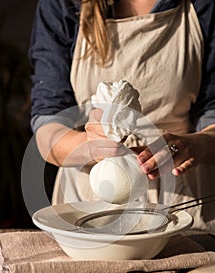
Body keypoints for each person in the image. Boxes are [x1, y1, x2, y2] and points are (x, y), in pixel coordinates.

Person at [29, 0, 215, 229]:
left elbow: (212, 117)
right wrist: (88, 145)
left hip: (181, 205)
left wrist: (193, 145)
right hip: (88, 206)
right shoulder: (63, 4)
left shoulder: (202, 5)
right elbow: (48, 130)